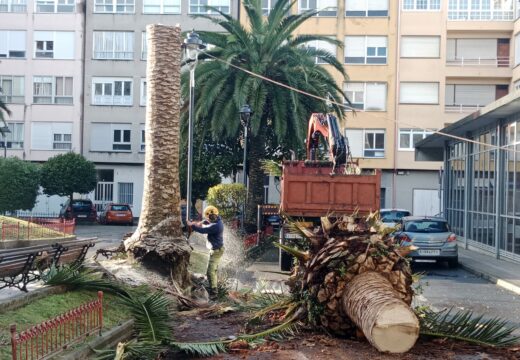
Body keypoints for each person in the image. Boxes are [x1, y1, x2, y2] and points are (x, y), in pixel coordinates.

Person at [187, 205, 224, 300]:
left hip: (216, 251)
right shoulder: (218, 221)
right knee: (211, 271)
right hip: (216, 250)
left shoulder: (216, 226)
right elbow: (208, 223)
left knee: (211, 271)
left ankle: (214, 293)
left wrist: (192, 226)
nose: (209, 219)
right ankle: (212, 288)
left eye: (209, 217)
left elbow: (203, 230)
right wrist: (202, 222)